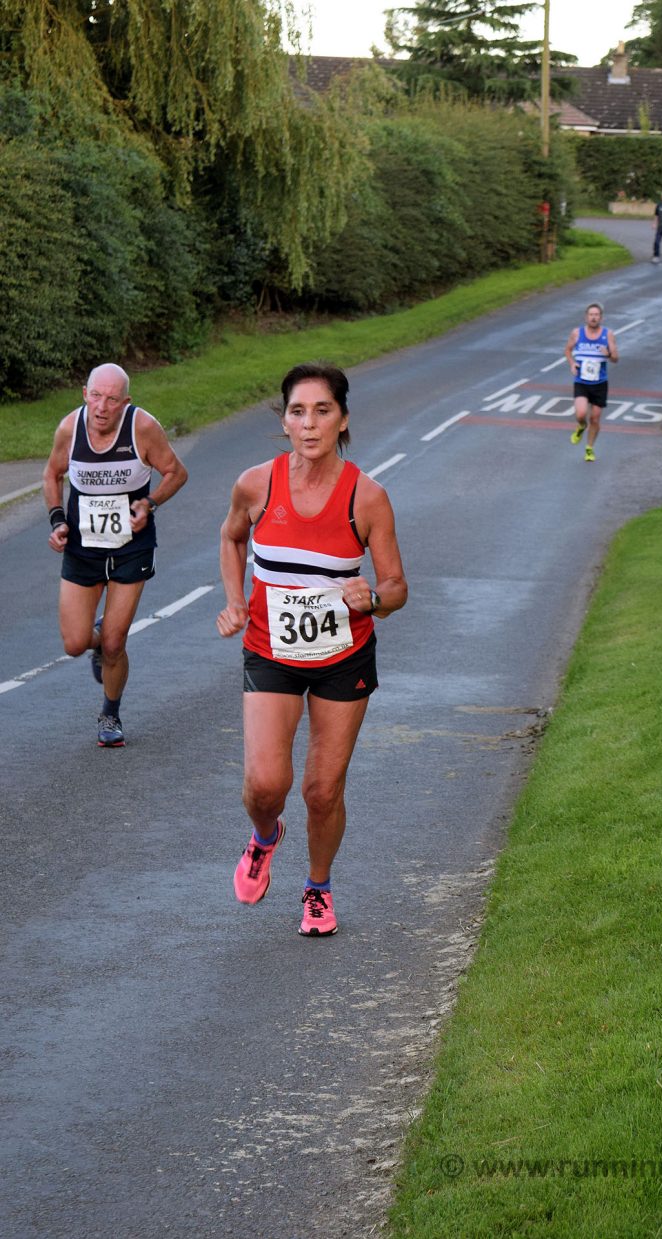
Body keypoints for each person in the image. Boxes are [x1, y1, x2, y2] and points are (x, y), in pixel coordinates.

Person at [217, 361, 408, 937]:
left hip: (342, 657)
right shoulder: (257, 484)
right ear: (285, 421)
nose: (309, 423)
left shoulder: (367, 498)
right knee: (266, 786)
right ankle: (265, 836)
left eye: (322, 411)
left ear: (343, 419)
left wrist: (370, 597)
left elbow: (397, 587)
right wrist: (233, 599)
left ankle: (318, 888)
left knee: (322, 790)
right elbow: (230, 538)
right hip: (270, 651)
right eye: (297, 411)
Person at [43, 363, 188, 747]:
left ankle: (110, 712)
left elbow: (175, 471)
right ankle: (101, 634)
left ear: (125, 402)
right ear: (84, 394)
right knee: (75, 643)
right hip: (82, 548)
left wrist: (149, 504)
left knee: (113, 644)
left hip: (130, 548)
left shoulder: (142, 428)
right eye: (95, 395)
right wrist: (57, 520)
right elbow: (52, 473)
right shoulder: (69, 429)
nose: (102, 406)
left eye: (111, 399)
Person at [565, 302, 619, 463]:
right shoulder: (577, 333)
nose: (594, 317)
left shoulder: (608, 334)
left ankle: (589, 448)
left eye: (597, 315)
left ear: (601, 317)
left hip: (600, 383)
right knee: (581, 414)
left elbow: (616, 358)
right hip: (581, 381)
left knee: (595, 418)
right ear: (586, 317)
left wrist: (608, 353)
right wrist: (572, 363)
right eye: (591, 315)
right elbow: (567, 350)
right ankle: (581, 426)